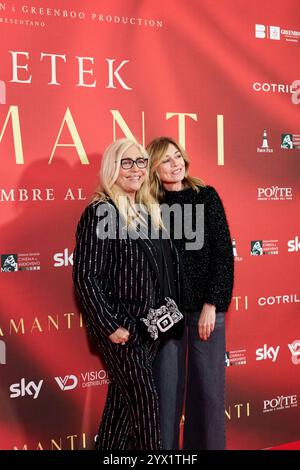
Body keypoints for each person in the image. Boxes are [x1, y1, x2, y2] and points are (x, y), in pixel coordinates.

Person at [72, 138, 180, 450]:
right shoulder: (101, 211)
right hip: (123, 330)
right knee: (146, 401)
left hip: (150, 327)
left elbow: (159, 269)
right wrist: (112, 326)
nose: (136, 169)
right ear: (112, 168)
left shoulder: (147, 210)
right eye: (126, 162)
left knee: (121, 410)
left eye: (141, 162)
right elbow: (86, 277)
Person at [147, 136, 234, 450]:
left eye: (178, 156)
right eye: (167, 159)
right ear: (154, 168)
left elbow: (223, 253)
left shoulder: (206, 197)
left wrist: (212, 303)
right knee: (166, 392)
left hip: (205, 309)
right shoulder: (150, 205)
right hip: (166, 313)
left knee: (209, 393)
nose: (176, 163)